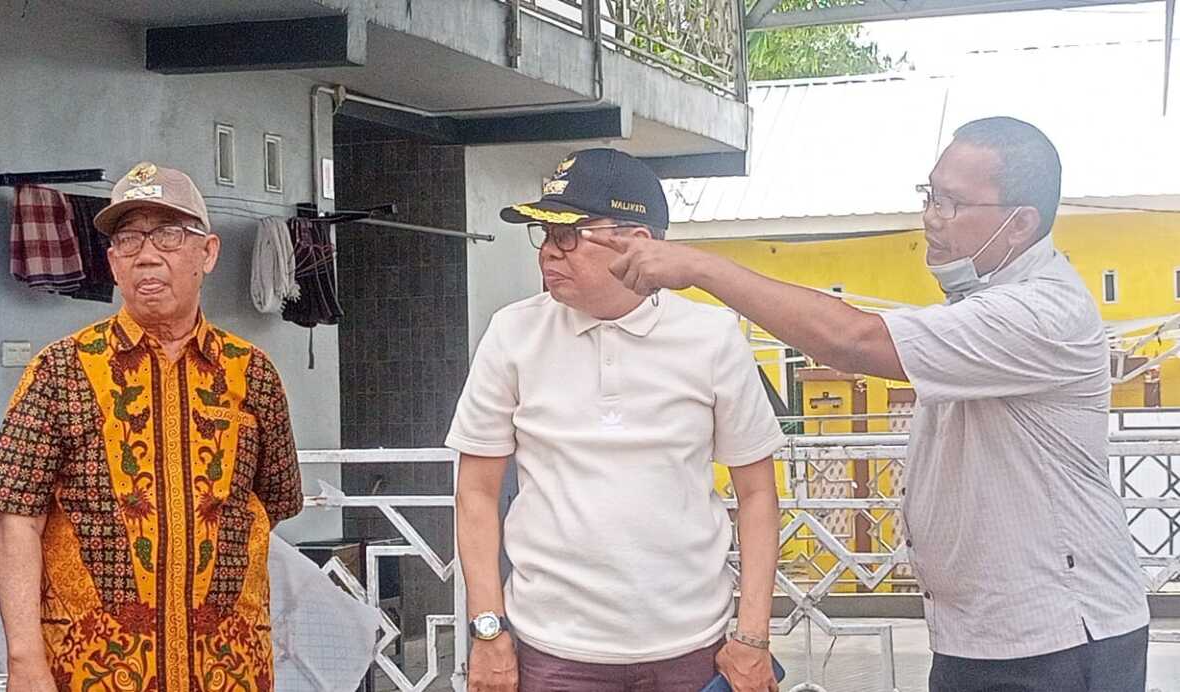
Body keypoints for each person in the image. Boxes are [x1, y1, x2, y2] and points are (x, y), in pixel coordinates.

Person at [589, 117, 1150, 691]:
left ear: (1020, 223)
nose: (931, 217)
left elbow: (853, 341)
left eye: (952, 203)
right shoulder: (975, 302)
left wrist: (701, 267)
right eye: (929, 195)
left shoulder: (1041, 313)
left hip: (1058, 636)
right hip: (978, 634)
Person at [447, 148, 785, 692]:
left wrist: (752, 637)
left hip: (692, 647)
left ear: (639, 243)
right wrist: (487, 631)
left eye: (568, 235)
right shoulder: (512, 334)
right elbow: (476, 494)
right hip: (552, 651)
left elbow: (758, 495)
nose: (548, 252)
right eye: (545, 234)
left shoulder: (712, 337)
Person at [0, 162, 304, 692]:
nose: (147, 255)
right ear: (112, 262)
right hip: (90, 670)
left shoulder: (252, 373)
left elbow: (275, 502)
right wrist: (24, 660)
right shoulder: (61, 369)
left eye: (168, 234)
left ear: (208, 253)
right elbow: (16, 518)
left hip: (227, 669)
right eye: (128, 239)